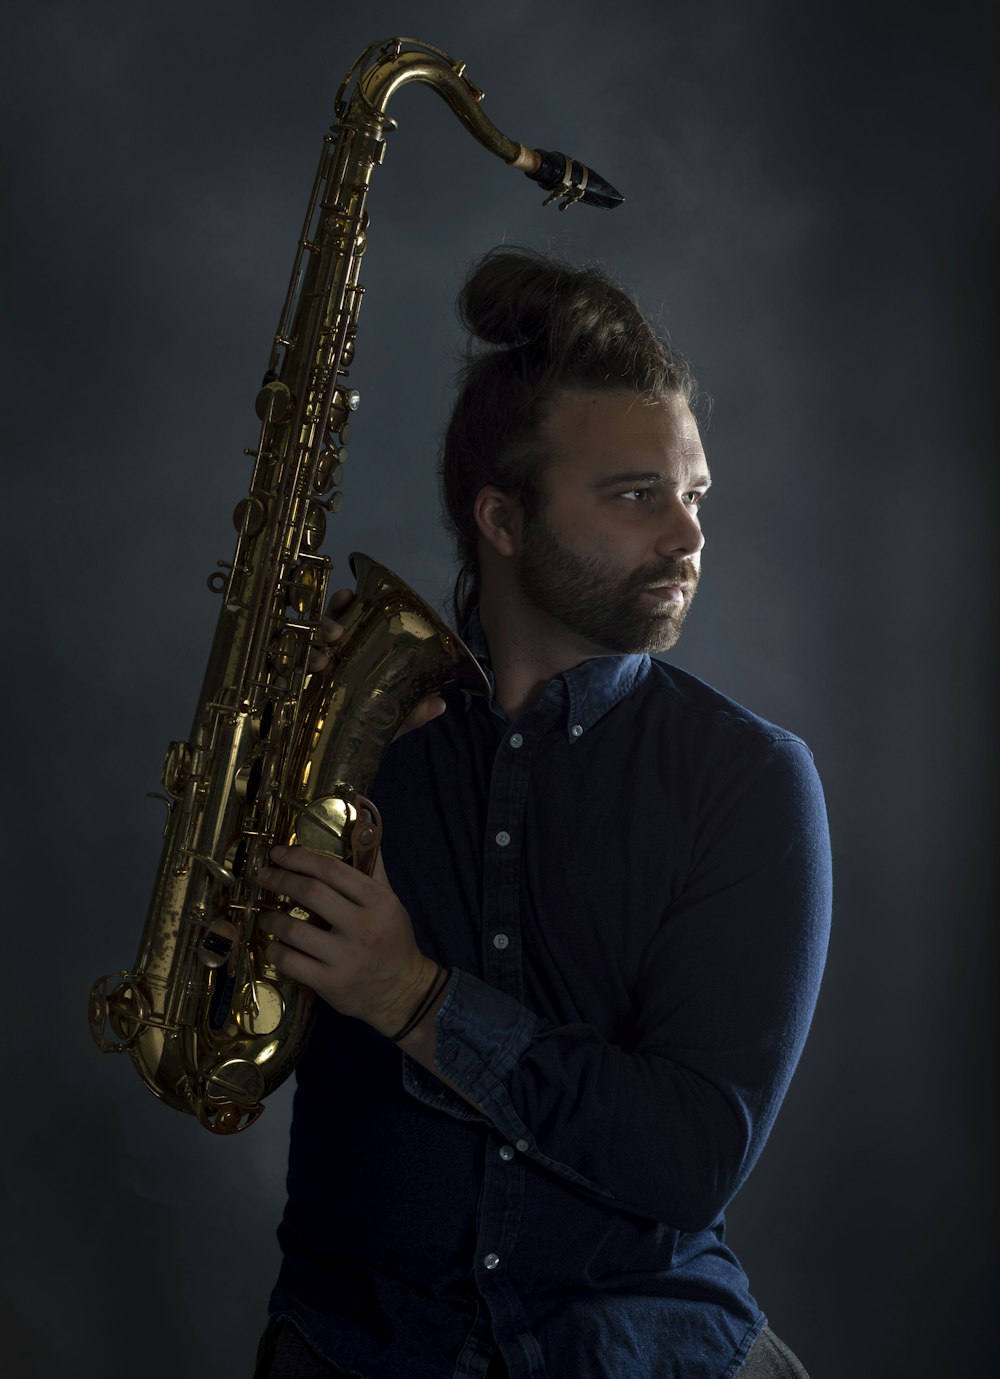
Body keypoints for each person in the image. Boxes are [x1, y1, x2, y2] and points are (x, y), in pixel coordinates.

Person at [252, 250, 832, 1379]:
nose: (687, 535)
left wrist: (412, 998)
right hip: (368, 1350)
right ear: (502, 519)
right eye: (635, 495)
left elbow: (688, 1155)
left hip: (650, 1346)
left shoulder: (751, 781)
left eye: (693, 493)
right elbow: (234, 1029)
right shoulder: (358, 753)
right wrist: (298, 758)